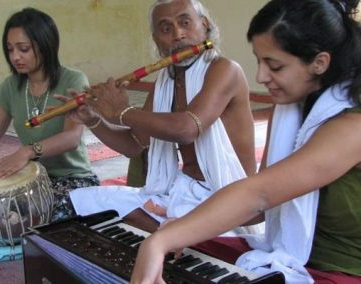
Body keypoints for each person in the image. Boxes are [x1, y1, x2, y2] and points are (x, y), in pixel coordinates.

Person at [130, 0, 361, 283]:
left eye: (274, 66)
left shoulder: (353, 125)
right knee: (173, 243)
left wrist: (165, 239)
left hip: (338, 271)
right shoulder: (291, 109)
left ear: (319, 63)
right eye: (259, 61)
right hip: (283, 253)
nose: (261, 77)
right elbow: (263, 206)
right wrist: (187, 226)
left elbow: (259, 195)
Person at [67, 0, 261, 235]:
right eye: (166, 28)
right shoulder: (165, 83)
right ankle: (170, 234)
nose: (178, 34)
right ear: (157, 42)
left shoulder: (225, 69)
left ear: (205, 26)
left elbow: (188, 128)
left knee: (126, 221)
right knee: (87, 202)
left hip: (229, 200)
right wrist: (91, 119)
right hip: (185, 193)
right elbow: (133, 144)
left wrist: (123, 112)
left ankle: (172, 237)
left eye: (185, 23)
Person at [0, 7, 99, 222]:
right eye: (10, 49)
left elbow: (72, 138)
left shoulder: (73, 80)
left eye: (23, 49)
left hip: (72, 180)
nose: (15, 57)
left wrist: (27, 152)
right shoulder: (11, 86)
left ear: (46, 46)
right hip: (31, 179)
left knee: (35, 214)